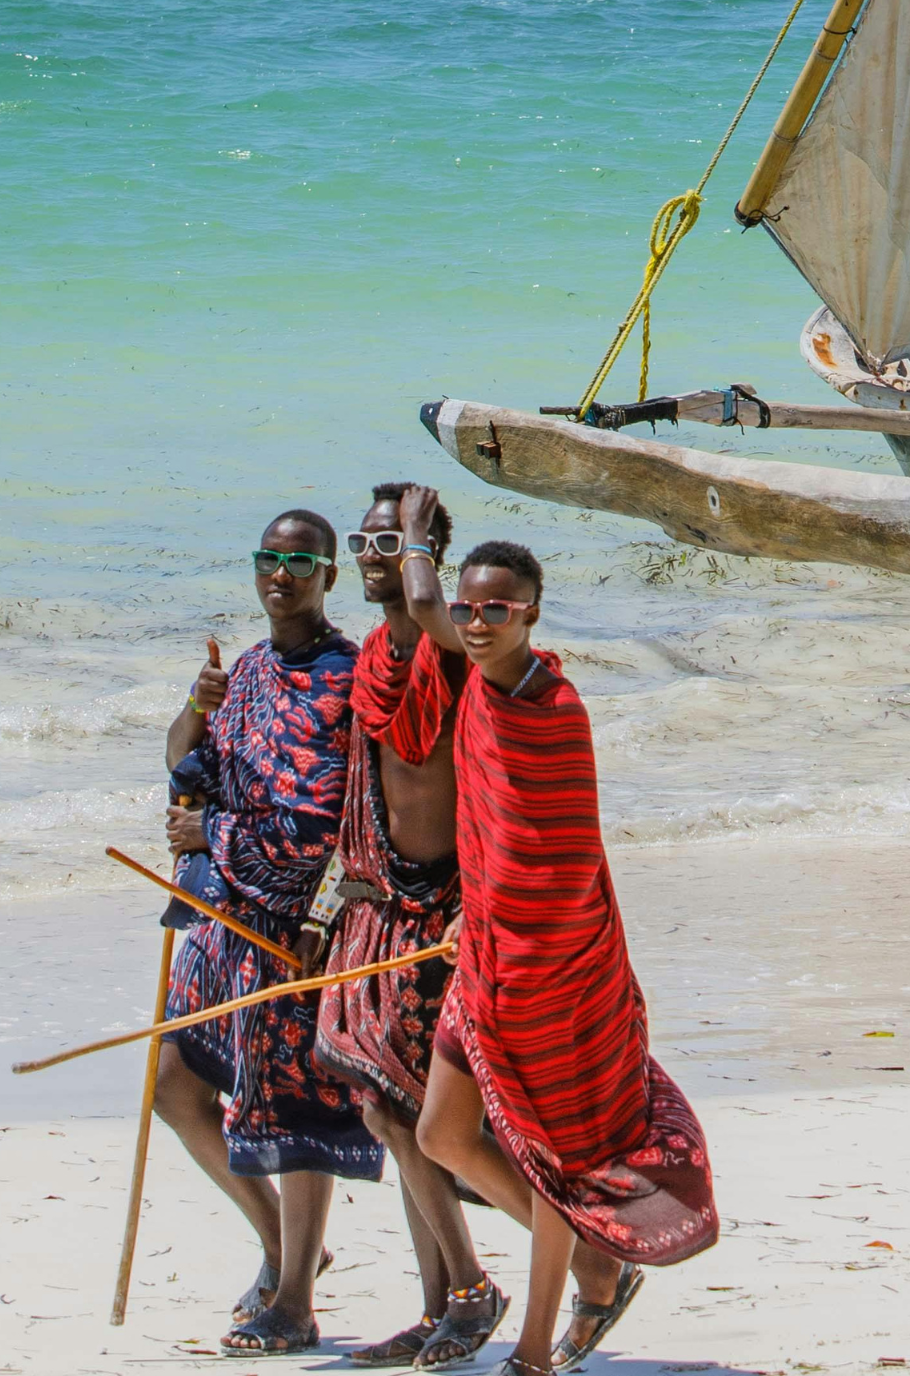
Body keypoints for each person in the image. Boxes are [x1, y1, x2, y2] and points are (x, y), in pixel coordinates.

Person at [395, 487, 717, 1372]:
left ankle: (536, 1350)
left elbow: (563, 867)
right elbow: (500, 844)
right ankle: (595, 1261)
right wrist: (476, 918)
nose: (474, 622)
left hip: (553, 975)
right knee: (441, 1137)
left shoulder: (553, 711)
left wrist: (418, 538)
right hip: (491, 960)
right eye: (467, 608)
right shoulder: (485, 687)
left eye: (494, 608)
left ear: (530, 612)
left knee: (548, 1160)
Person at [154, 506, 382, 1355]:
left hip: (299, 919)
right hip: (224, 912)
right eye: (267, 557)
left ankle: (293, 1303)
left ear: (329, 574)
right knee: (175, 1085)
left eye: (299, 559)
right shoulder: (246, 671)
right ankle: (288, 1248)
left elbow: (320, 819)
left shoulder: (346, 676)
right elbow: (188, 773)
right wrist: (196, 705)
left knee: (296, 1110)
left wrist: (210, 834)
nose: (279, 572)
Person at [315, 483, 508, 1370]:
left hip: (448, 906)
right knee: (383, 1103)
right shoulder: (371, 659)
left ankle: (474, 1288)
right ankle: (442, 1307)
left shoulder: (458, 643)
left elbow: (435, 608)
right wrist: (339, 896)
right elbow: (366, 786)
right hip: (383, 902)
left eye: (389, 542)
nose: (371, 555)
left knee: (419, 1113)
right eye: (362, 540)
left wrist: (424, 539)